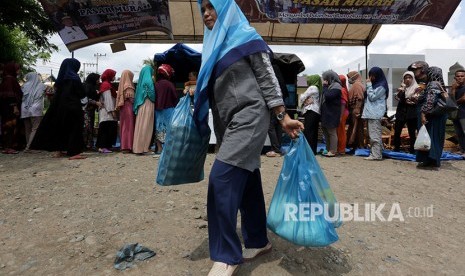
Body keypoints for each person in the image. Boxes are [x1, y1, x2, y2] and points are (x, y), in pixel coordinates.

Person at [194, 0, 303, 275]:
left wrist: (283, 116)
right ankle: (257, 239)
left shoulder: (246, 37)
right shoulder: (213, 46)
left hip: (252, 116)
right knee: (247, 178)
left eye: (211, 6)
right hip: (230, 123)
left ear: (226, 8)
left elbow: (267, 77)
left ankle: (227, 255)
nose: (206, 13)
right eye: (202, 8)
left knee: (222, 177)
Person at [30, 58, 86, 160]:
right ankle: (74, 152)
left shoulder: (59, 81)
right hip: (73, 107)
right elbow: (82, 93)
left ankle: (59, 150)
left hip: (59, 108)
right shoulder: (74, 78)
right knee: (74, 128)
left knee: (61, 128)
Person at [408, 61, 448, 168]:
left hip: (432, 116)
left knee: (432, 137)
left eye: (416, 70)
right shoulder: (430, 84)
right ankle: (430, 159)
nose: (415, 72)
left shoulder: (433, 84)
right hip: (435, 116)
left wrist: (423, 114)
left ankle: (431, 160)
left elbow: (430, 100)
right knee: (432, 137)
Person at [361, 67, 388, 161]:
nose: (371, 77)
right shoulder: (374, 85)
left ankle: (376, 155)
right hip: (371, 113)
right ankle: (375, 153)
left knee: (374, 135)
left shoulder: (381, 86)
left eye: (373, 75)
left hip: (375, 113)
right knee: (372, 134)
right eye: (370, 75)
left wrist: (368, 85)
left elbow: (372, 97)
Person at [265, 61, 289, 157]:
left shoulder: (272, 77)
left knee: (270, 126)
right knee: (278, 125)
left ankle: (275, 149)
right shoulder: (281, 80)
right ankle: (278, 147)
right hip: (282, 103)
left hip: (274, 103)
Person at [20, 72, 48, 151]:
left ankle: (28, 145)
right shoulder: (42, 85)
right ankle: (29, 147)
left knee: (27, 129)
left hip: (24, 109)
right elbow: (48, 92)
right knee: (35, 128)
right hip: (36, 109)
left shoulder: (24, 86)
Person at [393, 71, 419, 153]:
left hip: (412, 113)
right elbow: (397, 97)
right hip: (401, 112)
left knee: (412, 132)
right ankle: (396, 148)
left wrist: (410, 100)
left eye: (409, 78)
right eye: (406, 78)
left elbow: (416, 100)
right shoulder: (402, 88)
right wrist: (402, 90)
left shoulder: (417, 88)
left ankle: (412, 149)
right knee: (397, 131)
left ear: (413, 79)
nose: (407, 79)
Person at [154, 64, 178, 154]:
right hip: (169, 109)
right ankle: (169, 149)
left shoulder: (156, 84)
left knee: (159, 128)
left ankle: (159, 148)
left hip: (158, 110)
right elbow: (175, 96)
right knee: (170, 128)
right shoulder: (169, 84)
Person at [0, 62, 22, 154]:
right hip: (10, 108)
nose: (19, 71)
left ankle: (8, 146)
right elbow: (10, 96)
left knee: (7, 126)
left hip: (5, 108)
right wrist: (15, 107)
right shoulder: (10, 80)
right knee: (10, 126)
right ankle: (8, 147)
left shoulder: (6, 79)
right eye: (17, 69)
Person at [133, 65, 155, 155]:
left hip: (141, 105)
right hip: (148, 103)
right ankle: (145, 148)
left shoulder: (140, 82)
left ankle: (137, 147)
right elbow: (151, 93)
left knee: (140, 126)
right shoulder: (148, 81)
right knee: (146, 125)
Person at [320, 70, 342, 157]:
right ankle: (328, 149)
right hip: (326, 113)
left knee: (332, 132)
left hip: (332, 113)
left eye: (325, 78)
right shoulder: (329, 86)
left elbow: (329, 96)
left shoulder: (336, 86)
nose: (325, 80)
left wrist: (325, 87)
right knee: (326, 132)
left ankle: (333, 150)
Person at [96, 69, 118, 153]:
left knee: (107, 129)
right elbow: (108, 100)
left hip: (106, 111)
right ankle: (102, 147)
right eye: (113, 75)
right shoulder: (106, 85)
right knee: (105, 129)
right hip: (107, 112)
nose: (114, 77)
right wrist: (112, 111)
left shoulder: (107, 84)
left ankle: (106, 146)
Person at [115, 70, 136, 153]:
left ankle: (124, 145)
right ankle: (128, 146)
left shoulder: (122, 85)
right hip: (128, 108)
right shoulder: (128, 86)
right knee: (128, 127)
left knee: (124, 127)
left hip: (123, 108)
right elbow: (131, 99)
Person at [346, 71, 365, 151]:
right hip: (355, 109)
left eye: (350, 77)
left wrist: (357, 109)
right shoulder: (357, 84)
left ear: (354, 77)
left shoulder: (357, 85)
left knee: (357, 128)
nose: (349, 79)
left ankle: (359, 146)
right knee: (357, 128)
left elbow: (359, 98)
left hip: (355, 110)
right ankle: (356, 145)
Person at [82, 73, 102, 149]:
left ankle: (88, 144)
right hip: (86, 110)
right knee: (87, 127)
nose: (98, 81)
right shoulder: (87, 86)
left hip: (91, 110)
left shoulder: (92, 86)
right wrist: (95, 102)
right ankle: (86, 144)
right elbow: (85, 98)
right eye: (97, 79)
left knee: (90, 127)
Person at [300, 84, 320, 155]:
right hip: (316, 112)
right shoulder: (318, 89)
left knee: (308, 131)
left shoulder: (313, 87)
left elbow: (302, 96)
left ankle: (308, 151)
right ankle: (313, 150)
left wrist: (305, 100)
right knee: (314, 132)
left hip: (311, 111)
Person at [450, 69, 465, 157]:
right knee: (459, 133)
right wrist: (453, 89)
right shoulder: (454, 88)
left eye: (462, 76)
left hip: (464, 114)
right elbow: (450, 100)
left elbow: (464, 99)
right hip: (456, 114)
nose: (460, 78)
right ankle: (462, 150)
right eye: (458, 76)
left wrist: (454, 103)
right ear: (455, 78)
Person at [337, 74, 349, 155]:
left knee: (341, 131)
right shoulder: (344, 89)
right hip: (343, 112)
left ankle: (341, 149)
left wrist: (340, 116)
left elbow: (343, 103)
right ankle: (340, 148)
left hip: (343, 113)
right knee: (340, 131)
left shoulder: (342, 90)